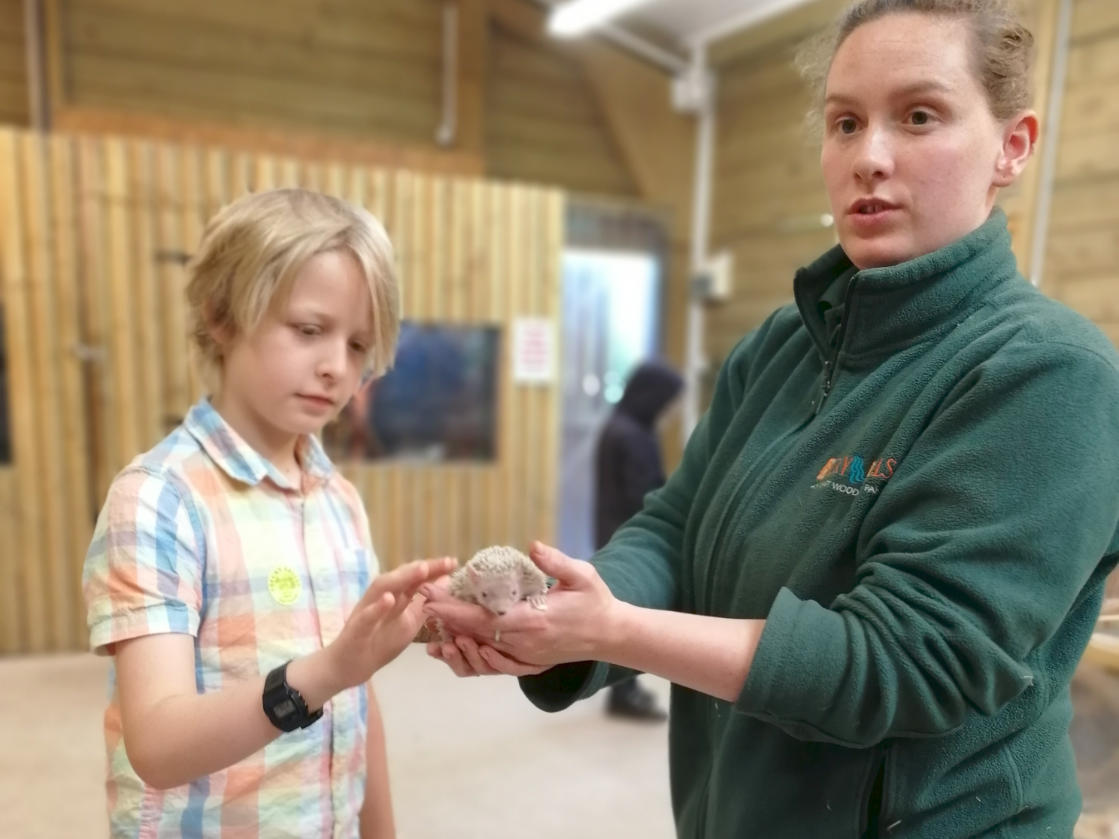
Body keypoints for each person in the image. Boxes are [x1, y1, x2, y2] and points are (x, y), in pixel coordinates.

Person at [422, 1, 1119, 836]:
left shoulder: (1048, 375)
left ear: (1012, 144)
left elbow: (907, 660)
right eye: (845, 122)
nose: (870, 157)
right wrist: (564, 623)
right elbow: (676, 528)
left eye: (919, 116)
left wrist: (619, 629)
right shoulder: (784, 342)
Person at [82, 188, 456, 838]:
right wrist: (324, 672)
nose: (336, 367)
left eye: (359, 345)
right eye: (309, 329)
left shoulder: (337, 499)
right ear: (221, 316)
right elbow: (158, 744)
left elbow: (356, 699)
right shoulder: (157, 499)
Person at [594, 360, 682, 720]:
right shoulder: (632, 436)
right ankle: (622, 693)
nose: (671, 411)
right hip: (630, 534)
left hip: (612, 529)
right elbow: (645, 495)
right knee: (627, 618)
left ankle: (624, 689)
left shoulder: (619, 426)